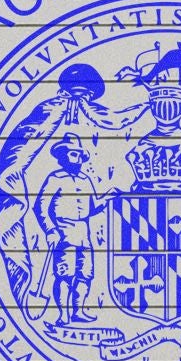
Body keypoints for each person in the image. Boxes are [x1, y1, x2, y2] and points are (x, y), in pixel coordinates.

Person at [32, 135, 115, 326]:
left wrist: (108, 197)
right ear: (62, 156)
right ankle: (63, 315)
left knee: (85, 275)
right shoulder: (54, 179)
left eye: (79, 154)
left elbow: (92, 208)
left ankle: (78, 311)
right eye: (73, 154)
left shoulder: (85, 180)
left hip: (84, 234)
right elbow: (40, 207)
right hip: (63, 234)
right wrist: (50, 230)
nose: (77, 158)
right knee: (65, 275)